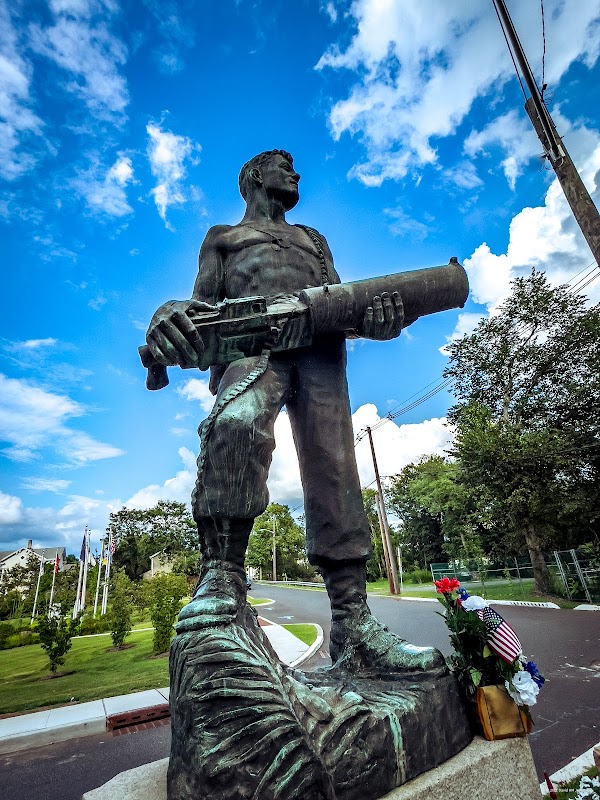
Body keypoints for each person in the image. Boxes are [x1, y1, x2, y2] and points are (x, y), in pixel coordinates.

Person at [145, 149, 444, 675]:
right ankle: (221, 576)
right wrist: (166, 314)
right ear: (256, 176)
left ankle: (353, 621)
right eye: (284, 165)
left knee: (334, 468)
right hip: (253, 348)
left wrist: (380, 321)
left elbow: (346, 303)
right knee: (234, 426)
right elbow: (198, 308)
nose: (295, 173)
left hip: (320, 353)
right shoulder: (224, 238)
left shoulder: (314, 240)